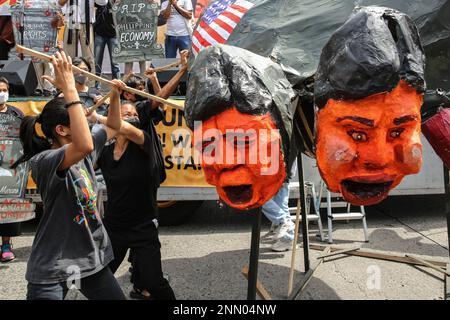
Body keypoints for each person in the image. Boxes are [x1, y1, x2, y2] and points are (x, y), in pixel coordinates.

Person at [11, 51, 125, 300]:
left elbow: (114, 127)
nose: (87, 122)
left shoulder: (84, 153)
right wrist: (70, 88)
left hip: (88, 260)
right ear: (62, 130)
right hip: (53, 266)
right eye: (80, 118)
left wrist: (115, 96)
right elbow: (84, 144)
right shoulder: (45, 161)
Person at [88, 98, 175, 300]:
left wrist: (98, 116)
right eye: (127, 114)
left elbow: (123, 128)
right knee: (99, 279)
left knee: (154, 283)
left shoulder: (144, 142)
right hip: (115, 227)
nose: (133, 118)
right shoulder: (106, 152)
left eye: (135, 114)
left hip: (143, 226)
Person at [0, 77, 24, 263]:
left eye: (4, 89)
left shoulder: (17, 114)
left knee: (8, 206)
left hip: (10, 168)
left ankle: (6, 244)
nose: (2, 93)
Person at [58, 0, 108, 74]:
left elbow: (103, 2)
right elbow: (60, 3)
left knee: (88, 57)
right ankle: (69, 81)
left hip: (87, 23)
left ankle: (89, 83)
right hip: (71, 23)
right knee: (69, 56)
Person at [94, 0, 120, 89]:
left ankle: (117, 87)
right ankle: (96, 87)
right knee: (97, 63)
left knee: (115, 64)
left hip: (114, 35)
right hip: (99, 33)